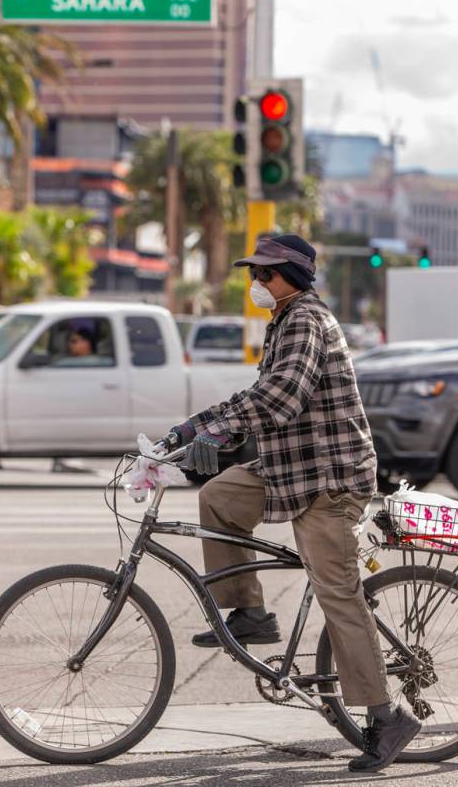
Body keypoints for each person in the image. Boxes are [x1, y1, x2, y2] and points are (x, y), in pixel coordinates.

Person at [168, 234, 421, 773]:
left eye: (266, 274)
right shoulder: (282, 321)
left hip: (329, 479)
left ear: (293, 277)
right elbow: (255, 396)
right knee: (218, 496)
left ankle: (386, 716)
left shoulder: (306, 319)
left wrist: (219, 433)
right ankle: (251, 613)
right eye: (253, 274)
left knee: (338, 592)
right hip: (290, 470)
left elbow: (282, 397)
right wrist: (194, 427)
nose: (257, 283)